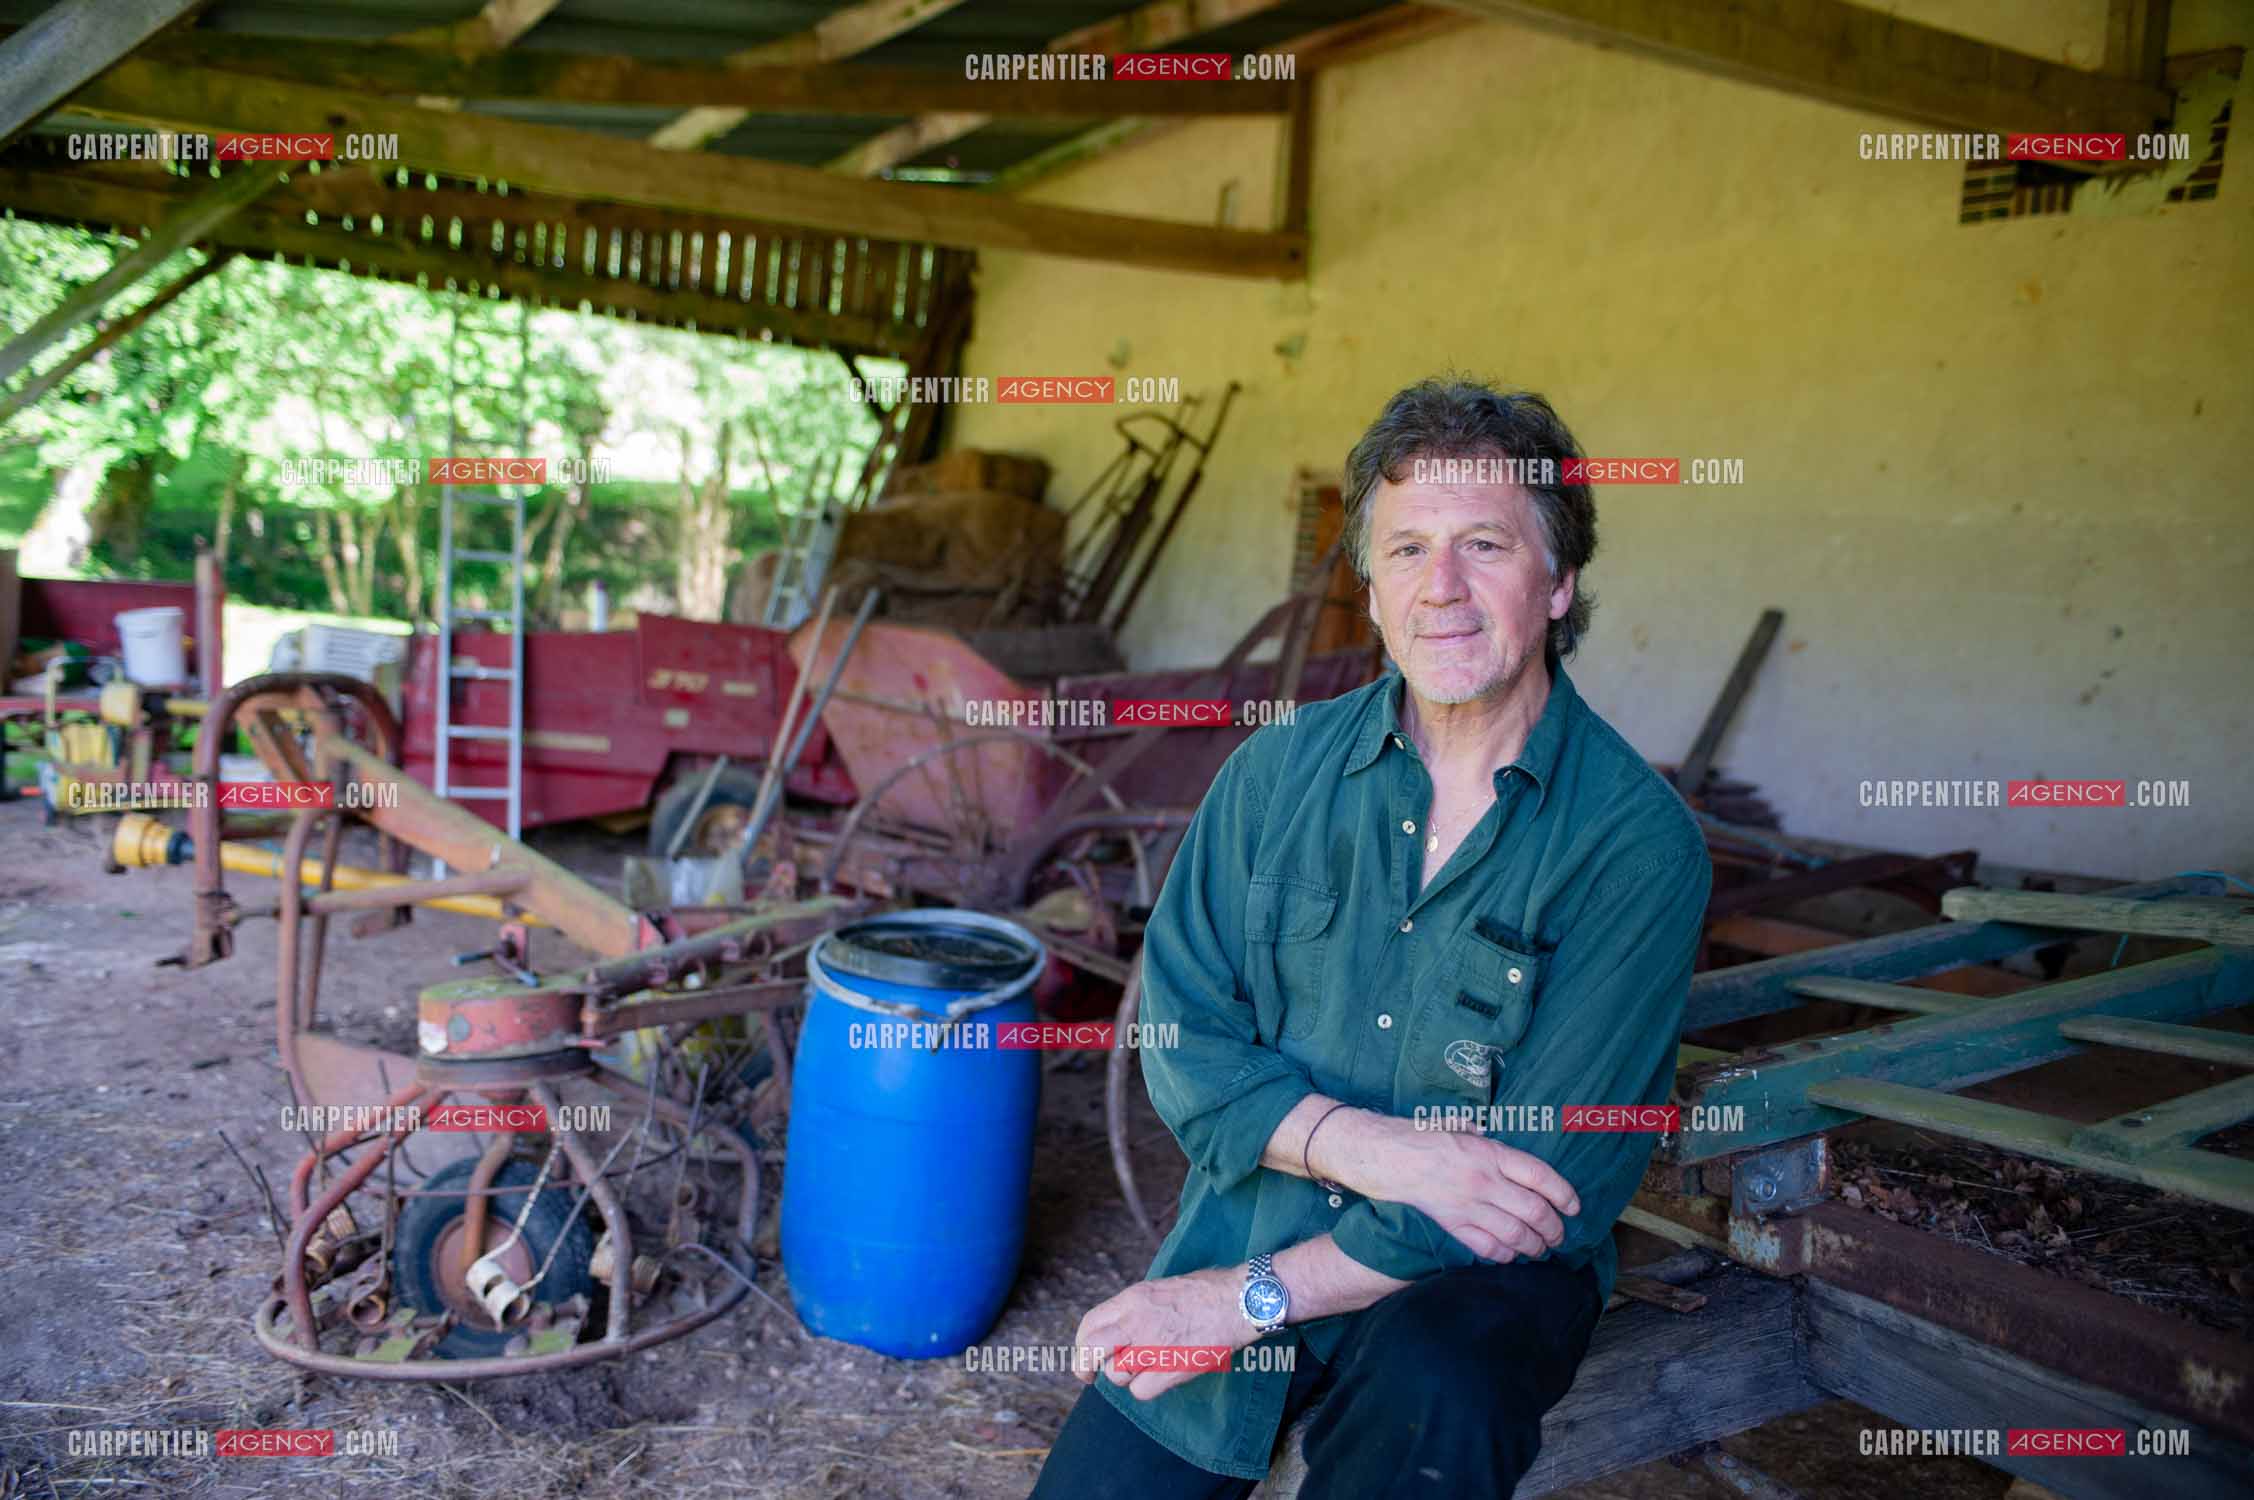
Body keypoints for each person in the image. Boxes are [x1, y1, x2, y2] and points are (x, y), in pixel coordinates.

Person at [1030, 377, 1710, 1499]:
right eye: (1405, 551)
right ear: (1371, 587)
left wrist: (1242, 1300)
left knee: (1437, 1384)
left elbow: (1545, 1180)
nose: (1439, 589)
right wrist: (1385, 1151)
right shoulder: (1271, 774)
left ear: (1559, 582)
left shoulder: (1635, 843)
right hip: (1260, 1219)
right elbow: (1184, 1046)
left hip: (1479, 1284)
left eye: (1484, 544)